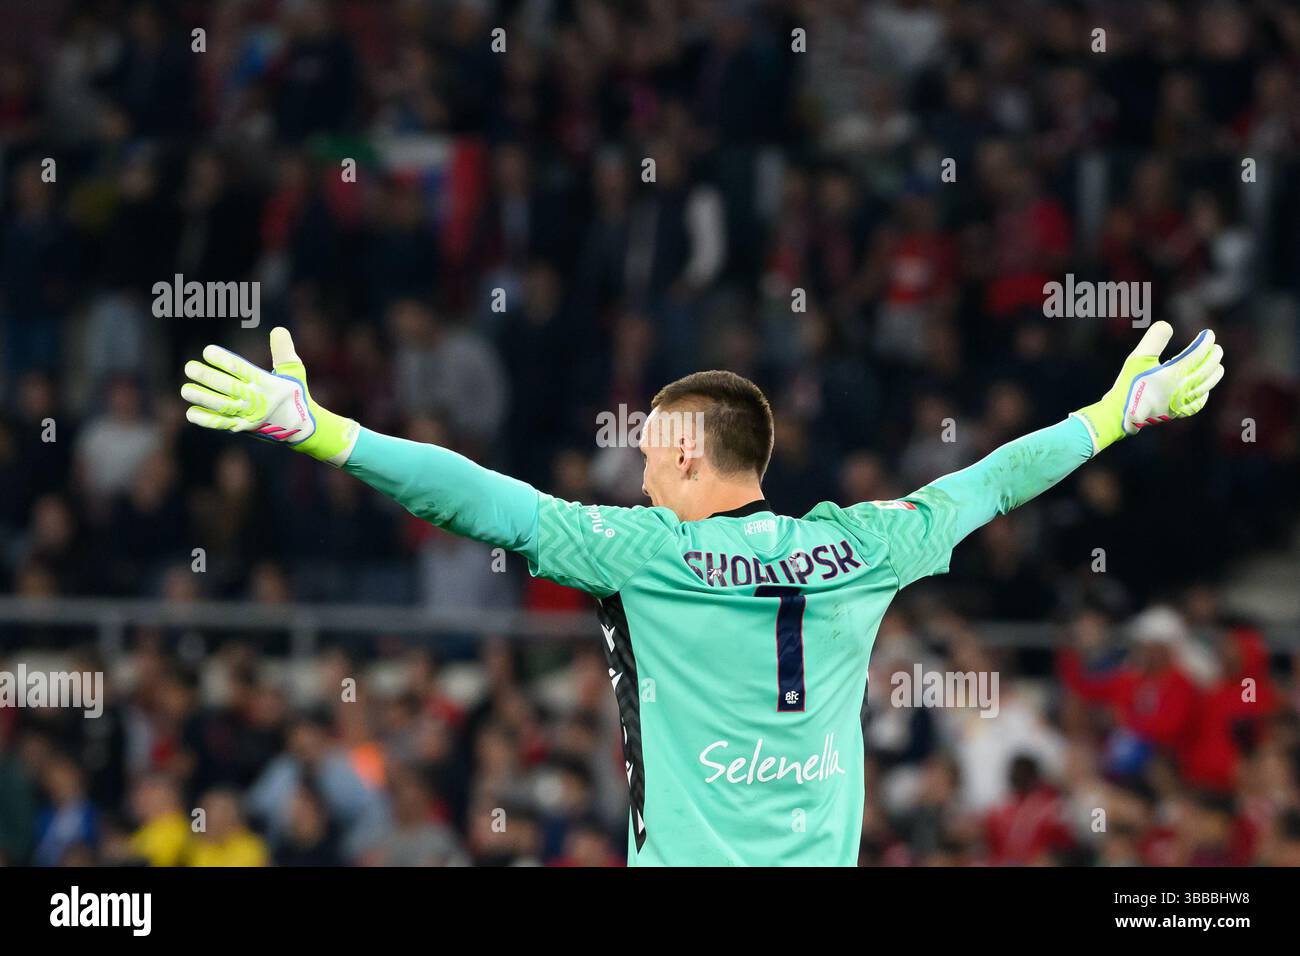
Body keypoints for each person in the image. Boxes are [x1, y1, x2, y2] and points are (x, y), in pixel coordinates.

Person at [178, 321, 1223, 866]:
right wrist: (1115, 415)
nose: (636, 474)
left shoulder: (643, 552)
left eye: (644, 455)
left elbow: (483, 504)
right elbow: (991, 479)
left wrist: (323, 431)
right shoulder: (864, 542)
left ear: (683, 454)